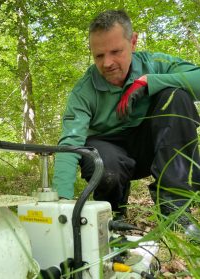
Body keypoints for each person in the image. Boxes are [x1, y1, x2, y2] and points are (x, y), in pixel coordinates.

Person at [53, 10, 200, 236]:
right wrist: (59, 203)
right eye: (99, 56)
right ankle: (112, 216)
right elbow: (70, 141)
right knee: (100, 160)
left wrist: (150, 82)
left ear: (133, 42)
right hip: (110, 151)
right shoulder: (84, 91)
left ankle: (176, 214)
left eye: (115, 52)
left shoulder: (155, 64)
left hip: (155, 146)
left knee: (176, 96)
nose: (107, 63)